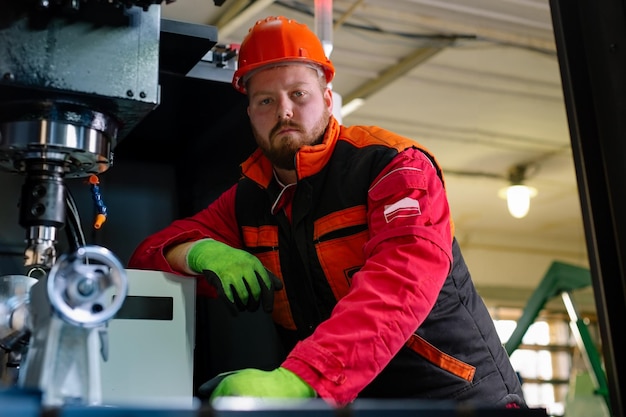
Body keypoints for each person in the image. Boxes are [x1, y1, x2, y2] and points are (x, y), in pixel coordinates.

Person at [128, 15, 525, 408]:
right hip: (352, 405)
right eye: (265, 100)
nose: (284, 111)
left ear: (328, 100)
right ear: (249, 114)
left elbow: (401, 281)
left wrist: (300, 380)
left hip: (459, 401)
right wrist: (199, 253)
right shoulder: (246, 202)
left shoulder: (393, 167)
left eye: (298, 94)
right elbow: (147, 259)